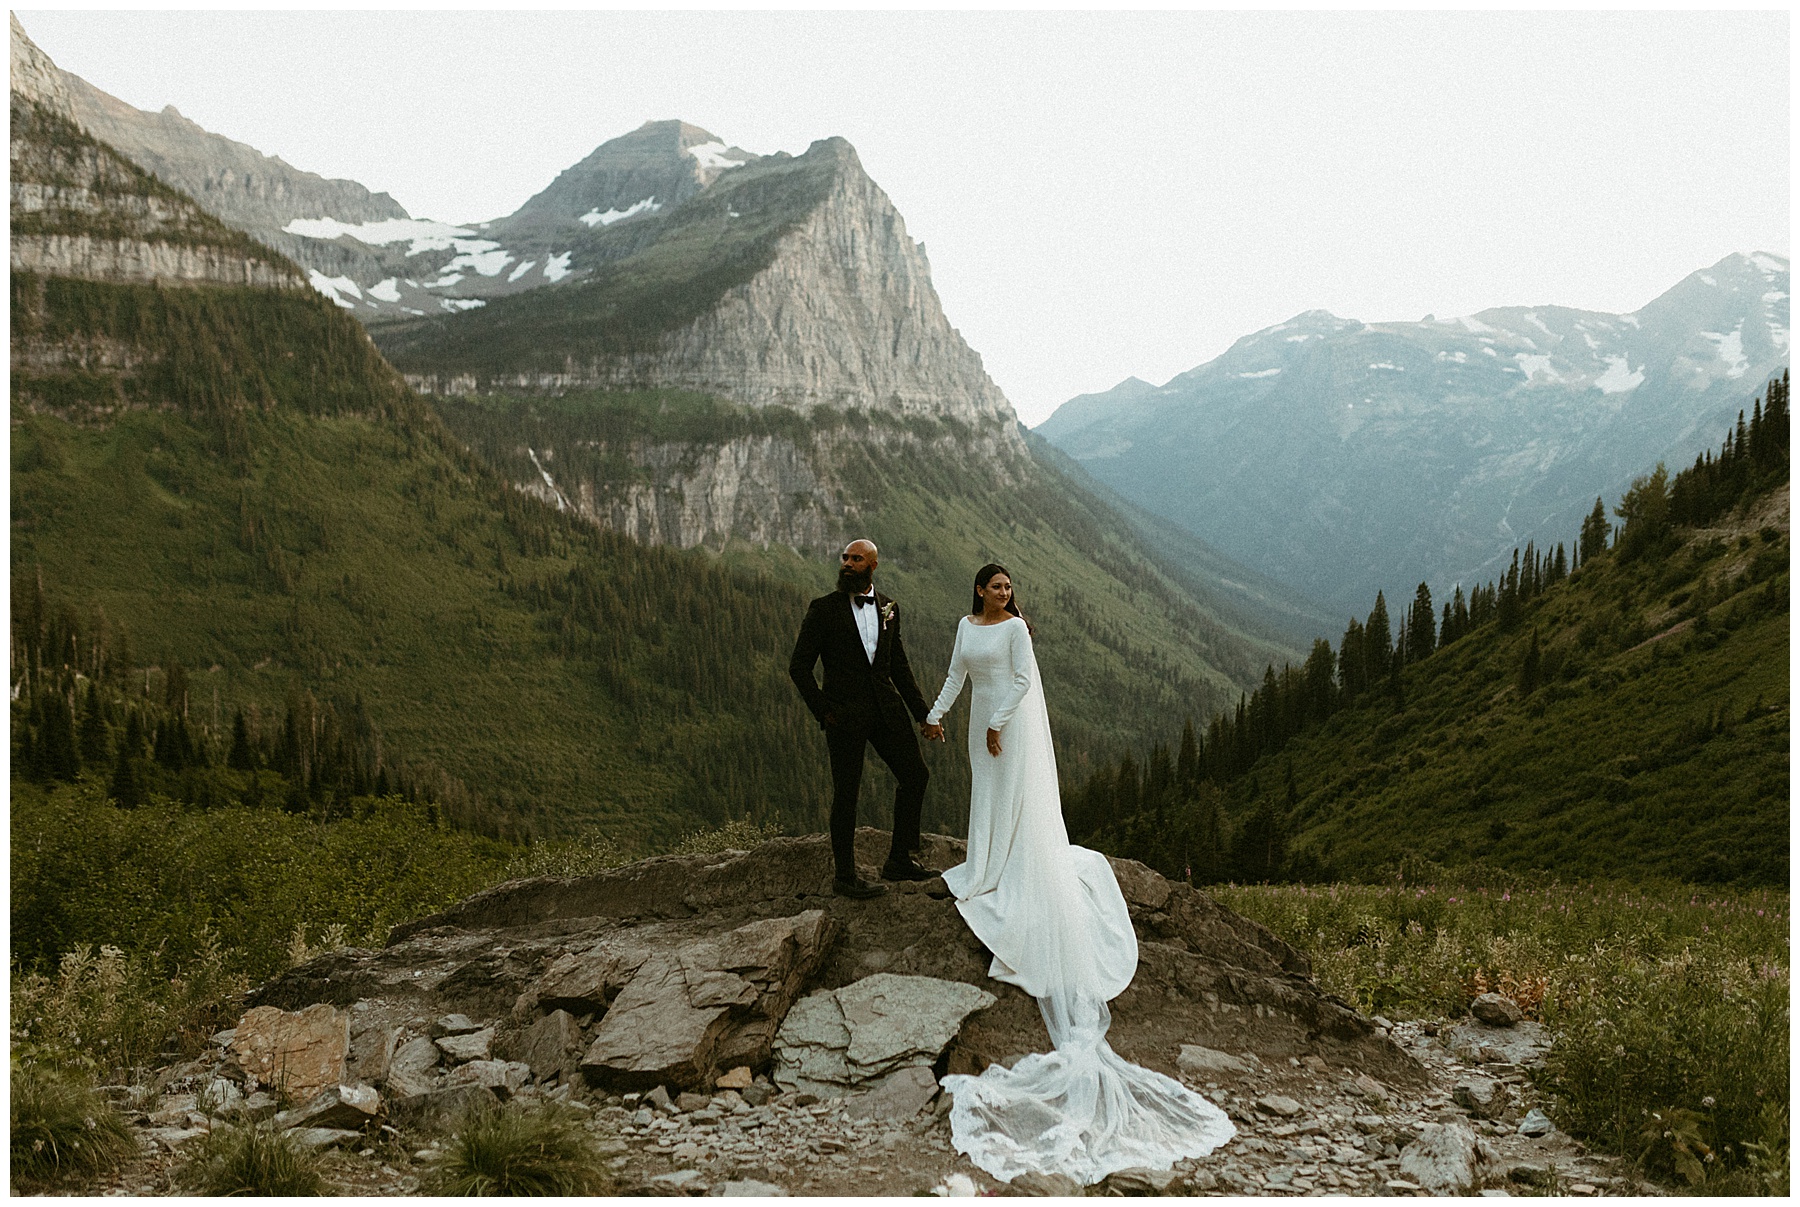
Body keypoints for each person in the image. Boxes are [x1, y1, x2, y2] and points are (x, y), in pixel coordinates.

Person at [922, 563, 1235, 1185]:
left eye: (1011, 586)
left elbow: (1018, 682)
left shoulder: (1016, 630)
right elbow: (958, 673)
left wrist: (994, 724)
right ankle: (987, 866)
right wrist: (937, 714)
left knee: (1013, 799)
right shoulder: (965, 626)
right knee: (985, 802)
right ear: (979, 589)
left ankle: (1005, 867)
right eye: (997, 586)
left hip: (1003, 728)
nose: (1006, 593)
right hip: (977, 726)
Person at [788, 539, 939, 899]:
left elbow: (899, 667)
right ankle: (845, 877)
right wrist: (824, 710)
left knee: (915, 775)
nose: (847, 563)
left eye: (856, 559)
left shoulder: (889, 608)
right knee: (847, 794)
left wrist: (923, 714)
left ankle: (899, 860)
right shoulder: (823, 609)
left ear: (872, 566)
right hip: (844, 716)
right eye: (845, 558)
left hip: (887, 711)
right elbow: (799, 667)